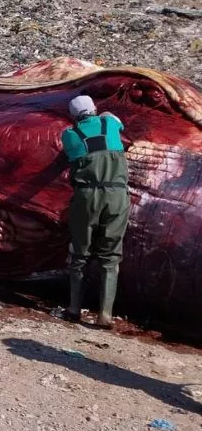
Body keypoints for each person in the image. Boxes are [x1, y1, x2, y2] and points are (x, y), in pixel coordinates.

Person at [60, 95, 130, 328]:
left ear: (73, 116)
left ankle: (73, 309)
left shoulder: (70, 135)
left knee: (80, 254)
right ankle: (105, 315)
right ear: (95, 109)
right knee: (110, 257)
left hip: (87, 197)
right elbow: (116, 121)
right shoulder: (109, 124)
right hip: (117, 196)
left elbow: (70, 154)